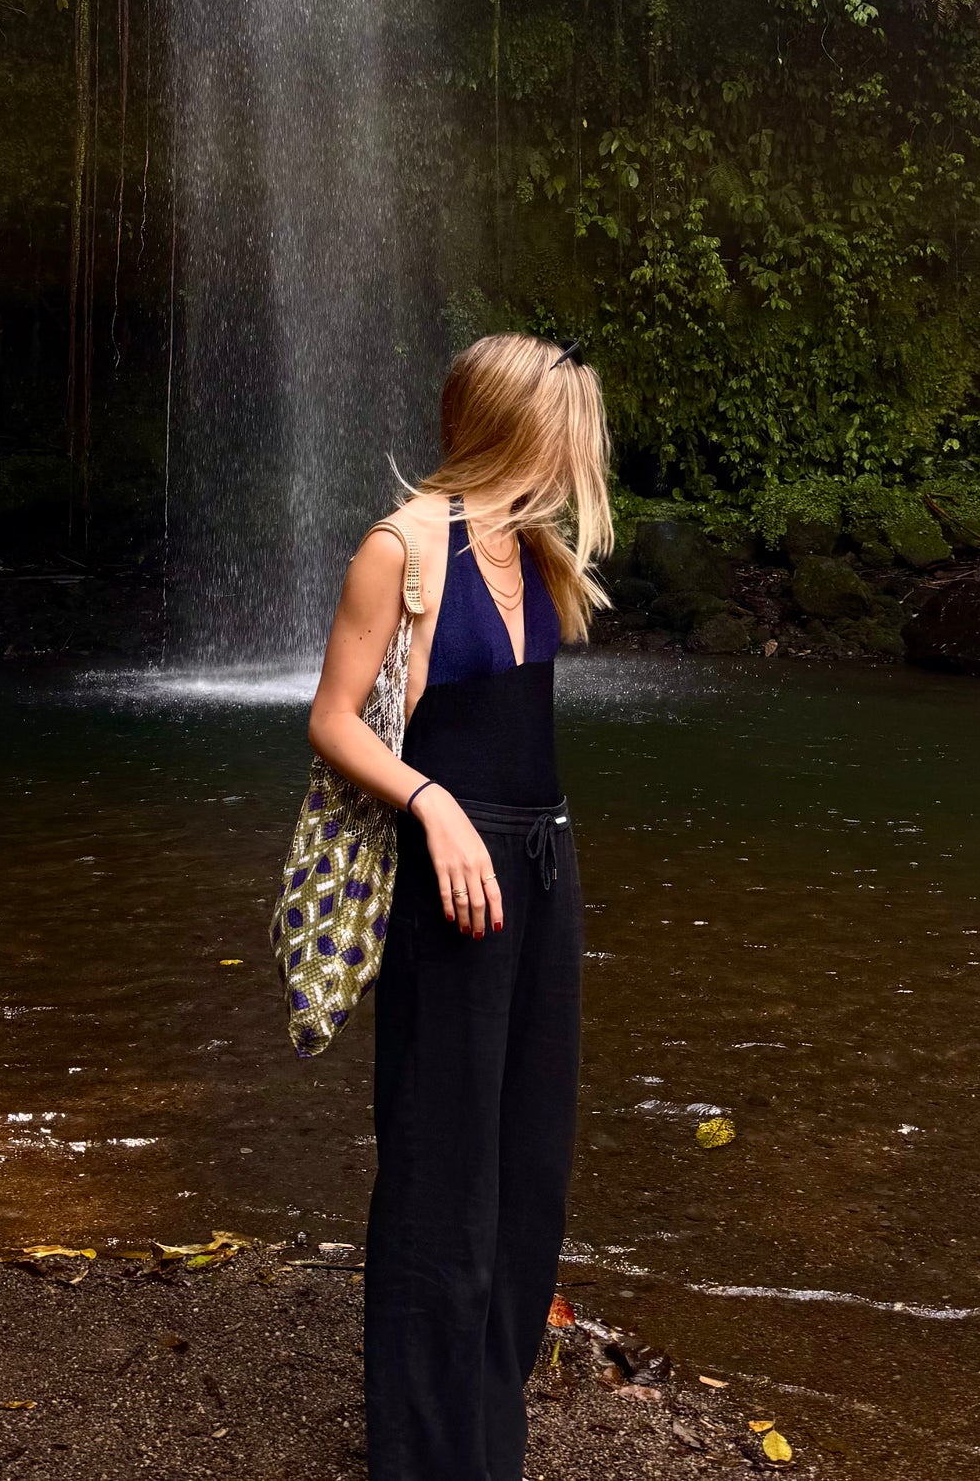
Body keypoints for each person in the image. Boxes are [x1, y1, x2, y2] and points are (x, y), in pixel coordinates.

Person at [306, 331, 613, 1481]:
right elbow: (334, 719)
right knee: (444, 1172)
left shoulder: (533, 549)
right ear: (507, 426)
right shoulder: (402, 549)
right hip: (450, 879)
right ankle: (424, 1459)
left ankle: (487, 1445)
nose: (577, 457)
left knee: (528, 1169)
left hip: (541, 868)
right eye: (561, 431)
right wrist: (431, 805)